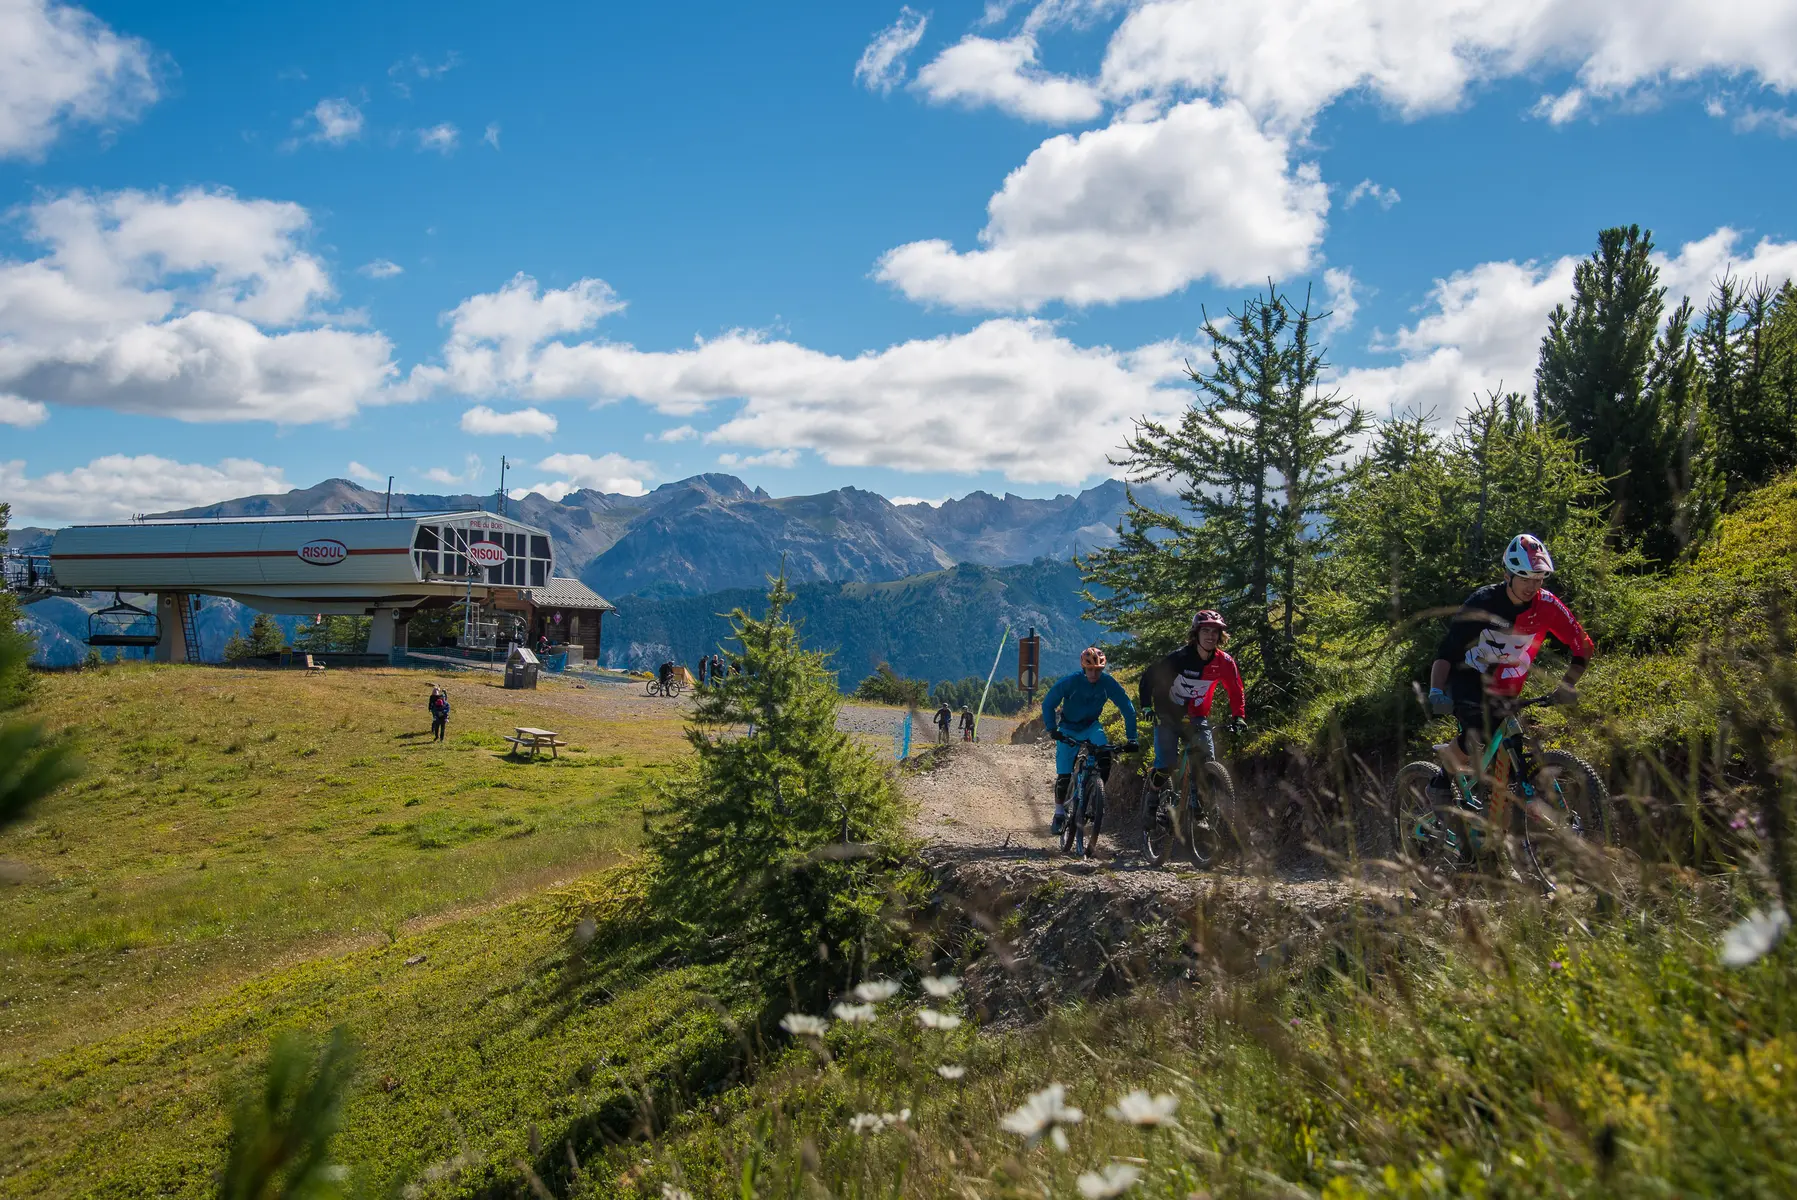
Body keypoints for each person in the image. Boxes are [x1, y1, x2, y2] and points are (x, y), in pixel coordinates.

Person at [1425, 533, 1594, 802]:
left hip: (1508, 686)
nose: (1531, 586)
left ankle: (1497, 810)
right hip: (1468, 679)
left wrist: (1568, 684)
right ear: (1507, 576)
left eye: (1538, 579)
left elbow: (1582, 645)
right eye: (1525, 578)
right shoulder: (1482, 603)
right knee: (1476, 731)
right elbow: (1447, 651)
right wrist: (1436, 691)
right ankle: (1440, 783)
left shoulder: (1547, 605)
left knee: (1511, 749)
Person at [1136, 610, 1246, 790]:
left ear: (1220, 635)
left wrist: (1239, 717)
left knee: (1206, 761)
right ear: (1196, 633)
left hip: (1197, 716)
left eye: (1215, 631)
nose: (1210, 636)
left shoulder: (1225, 662)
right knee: (1165, 767)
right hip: (1168, 715)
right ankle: (1152, 798)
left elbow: (1235, 689)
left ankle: (1201, 805)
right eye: (1205, 631)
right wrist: (1147, 707)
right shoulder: (1179, 658)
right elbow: (1149, 677)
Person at [1040, 647, 1139, 835]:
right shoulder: (1070, 682)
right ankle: (1059, 813)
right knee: (1064, 775)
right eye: (1090, 669)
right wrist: (1052, 729)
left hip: (1092, 726)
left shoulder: (1107, 683)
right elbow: (1048, 703)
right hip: (1068, 728)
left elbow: (1127, 708)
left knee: (1105, 757)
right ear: (1084, 668)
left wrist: (1132, 737)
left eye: (1098, 670)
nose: (1094, 673)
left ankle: (1095, 795)